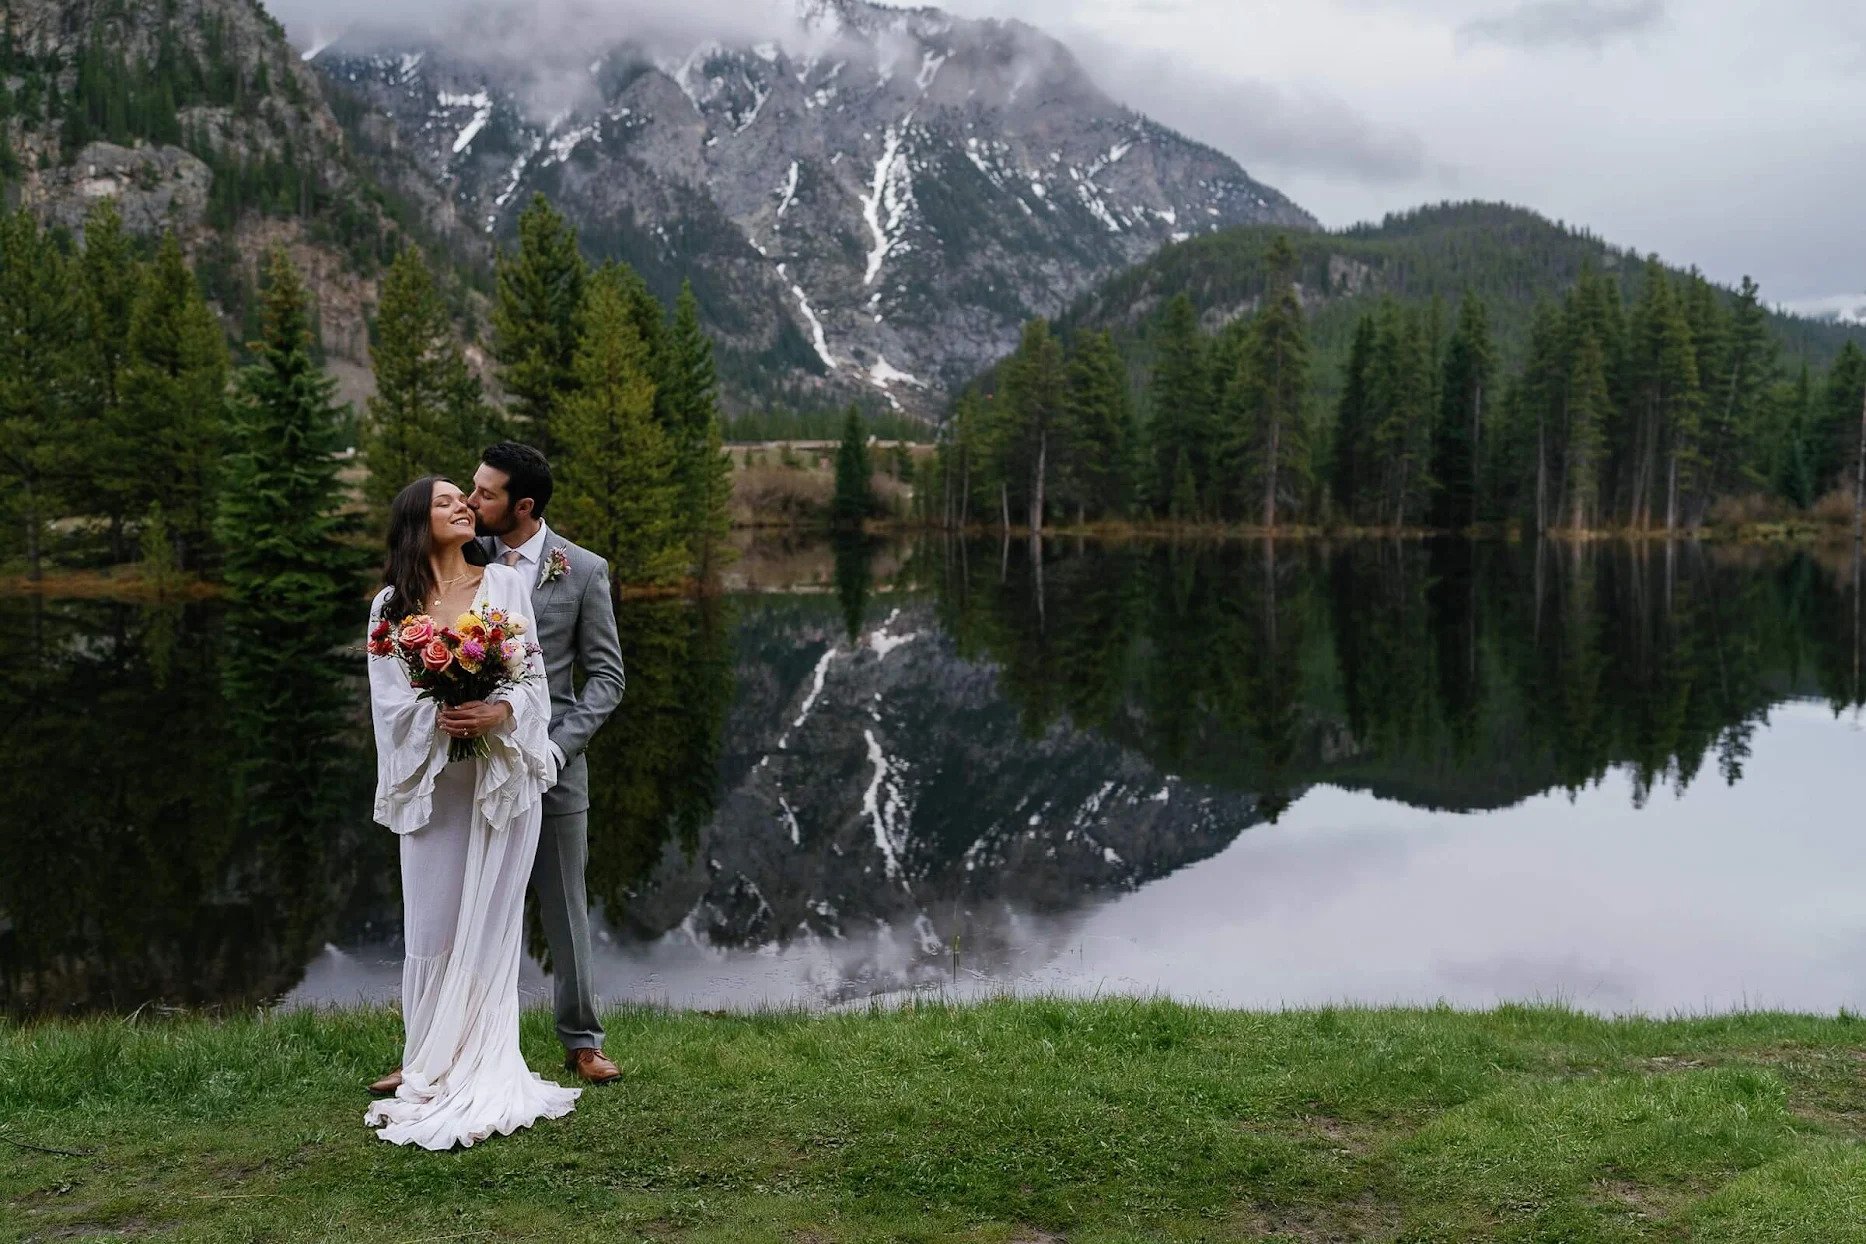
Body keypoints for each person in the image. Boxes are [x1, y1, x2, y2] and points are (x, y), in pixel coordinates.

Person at [372, 441, 627, 1089]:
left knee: (564, 907)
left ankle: (582, 1041)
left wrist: (553, 746)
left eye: (484, 494)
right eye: (466, 492)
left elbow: (605, 680)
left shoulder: (584, 571)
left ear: (523, 504)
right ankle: (436, 1047)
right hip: (465, 770)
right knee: (455, 906)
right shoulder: (468, 560)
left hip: (552, 763)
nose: (471, 500)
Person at [363, 476, 580, 1150]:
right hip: (435, 786)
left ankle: (482, 1058)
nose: (463, 506)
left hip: (498, 780)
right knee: (430, 922)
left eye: (467, 498)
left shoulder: (507, 587)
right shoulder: (389, 606)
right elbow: (389, 703)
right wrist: (445, 711)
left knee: (489, 921)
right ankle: (427, 1056)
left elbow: (533, 678)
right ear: (416, 522)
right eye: (446, 501)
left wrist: (499, 711)